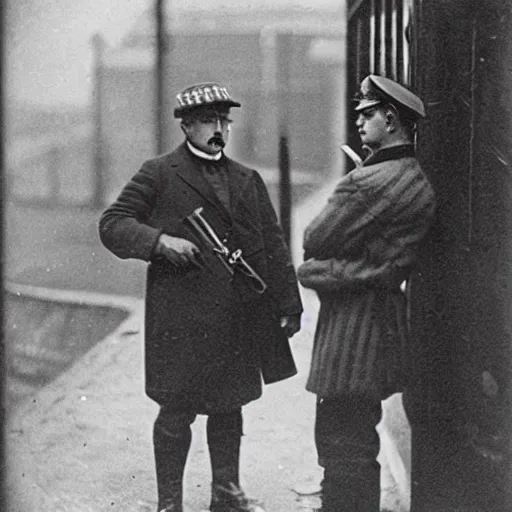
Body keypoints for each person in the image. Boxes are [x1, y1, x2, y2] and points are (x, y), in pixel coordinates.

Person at [99, 82, 302, 512]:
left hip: (237, 315)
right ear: (187, 125)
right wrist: (159, 243)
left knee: (230, 407)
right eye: (210, 120)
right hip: (181, 320)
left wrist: (289, 304)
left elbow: (273, 243)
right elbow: (113, 224)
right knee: (176, 412)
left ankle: (226, 493)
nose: (220, 130)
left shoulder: (247, 179)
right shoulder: (158, 173)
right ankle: (170, 503)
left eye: (225, 120)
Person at [297, 74, 436, 511]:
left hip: (352, 328)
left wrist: (316, 271)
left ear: (391, 119)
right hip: (386, 322)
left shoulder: (366, 183)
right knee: (359, 433)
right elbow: (382, 260)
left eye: (367, 113)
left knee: (340, 436)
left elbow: (316, 238)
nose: (359, 121)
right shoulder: (417, 179)